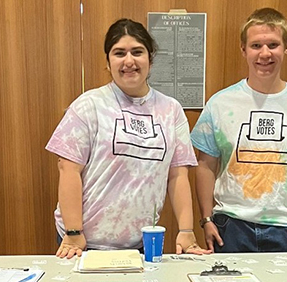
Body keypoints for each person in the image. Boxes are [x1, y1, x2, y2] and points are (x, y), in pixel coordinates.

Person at [46, 18, 210, 258]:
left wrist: (186, 230)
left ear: (150, 59)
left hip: (141, 243)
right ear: (108, 62)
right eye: (119, 53)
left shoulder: (171, 110)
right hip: (82, 242)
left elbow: (178, 174)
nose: (129, 61)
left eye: (137, 52)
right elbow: (68, 169)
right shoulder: (89, 105)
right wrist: (72, 231)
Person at [190, 8, 287, 253]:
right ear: (243, 50)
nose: (265, 54)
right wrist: (206, 219)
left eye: (273, 44)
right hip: (230, 226)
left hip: (286, 228)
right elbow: (206, 164)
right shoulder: (220, 103)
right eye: (256, 45)